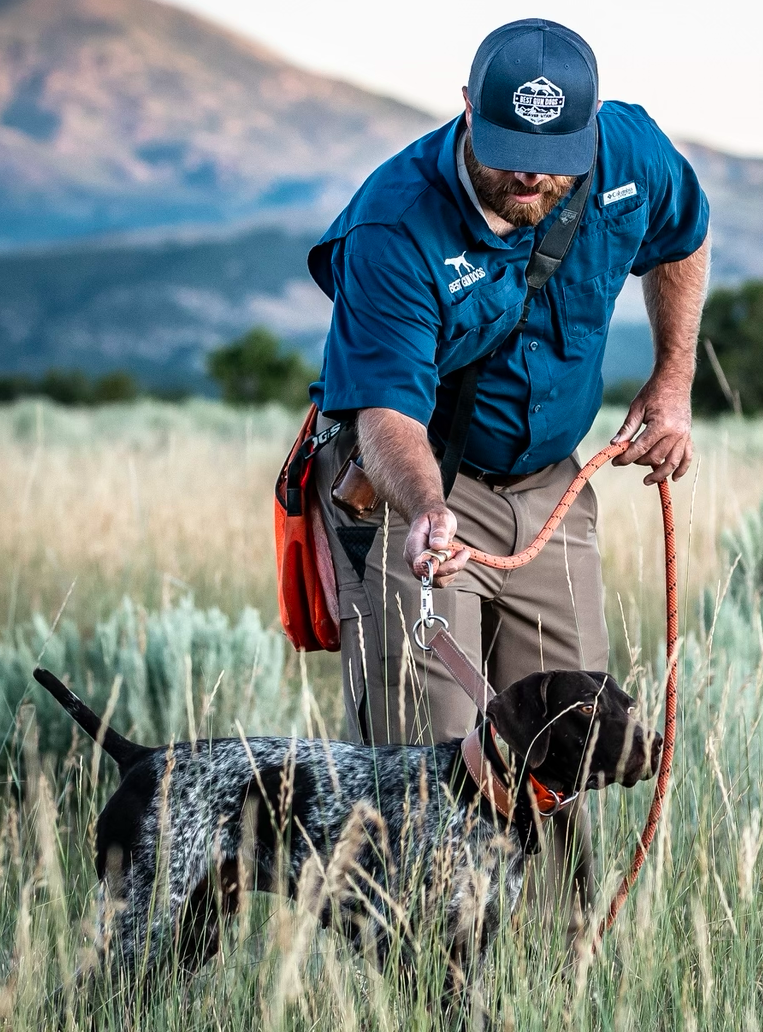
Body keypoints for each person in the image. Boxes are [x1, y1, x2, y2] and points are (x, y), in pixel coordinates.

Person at [307, 18, 709, 931]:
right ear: (463, 110)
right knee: (432, 753)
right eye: (507, 153)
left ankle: (556, 968)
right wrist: (422, 512)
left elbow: (684, 232)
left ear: (590, 125)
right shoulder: (391, 224)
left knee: (572, 728)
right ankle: (422, 973)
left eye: (553, 157)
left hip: (549, 484)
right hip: (415, 488)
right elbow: (387, 418)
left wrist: (673, 380)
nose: (531, 175)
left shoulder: (628, 153)